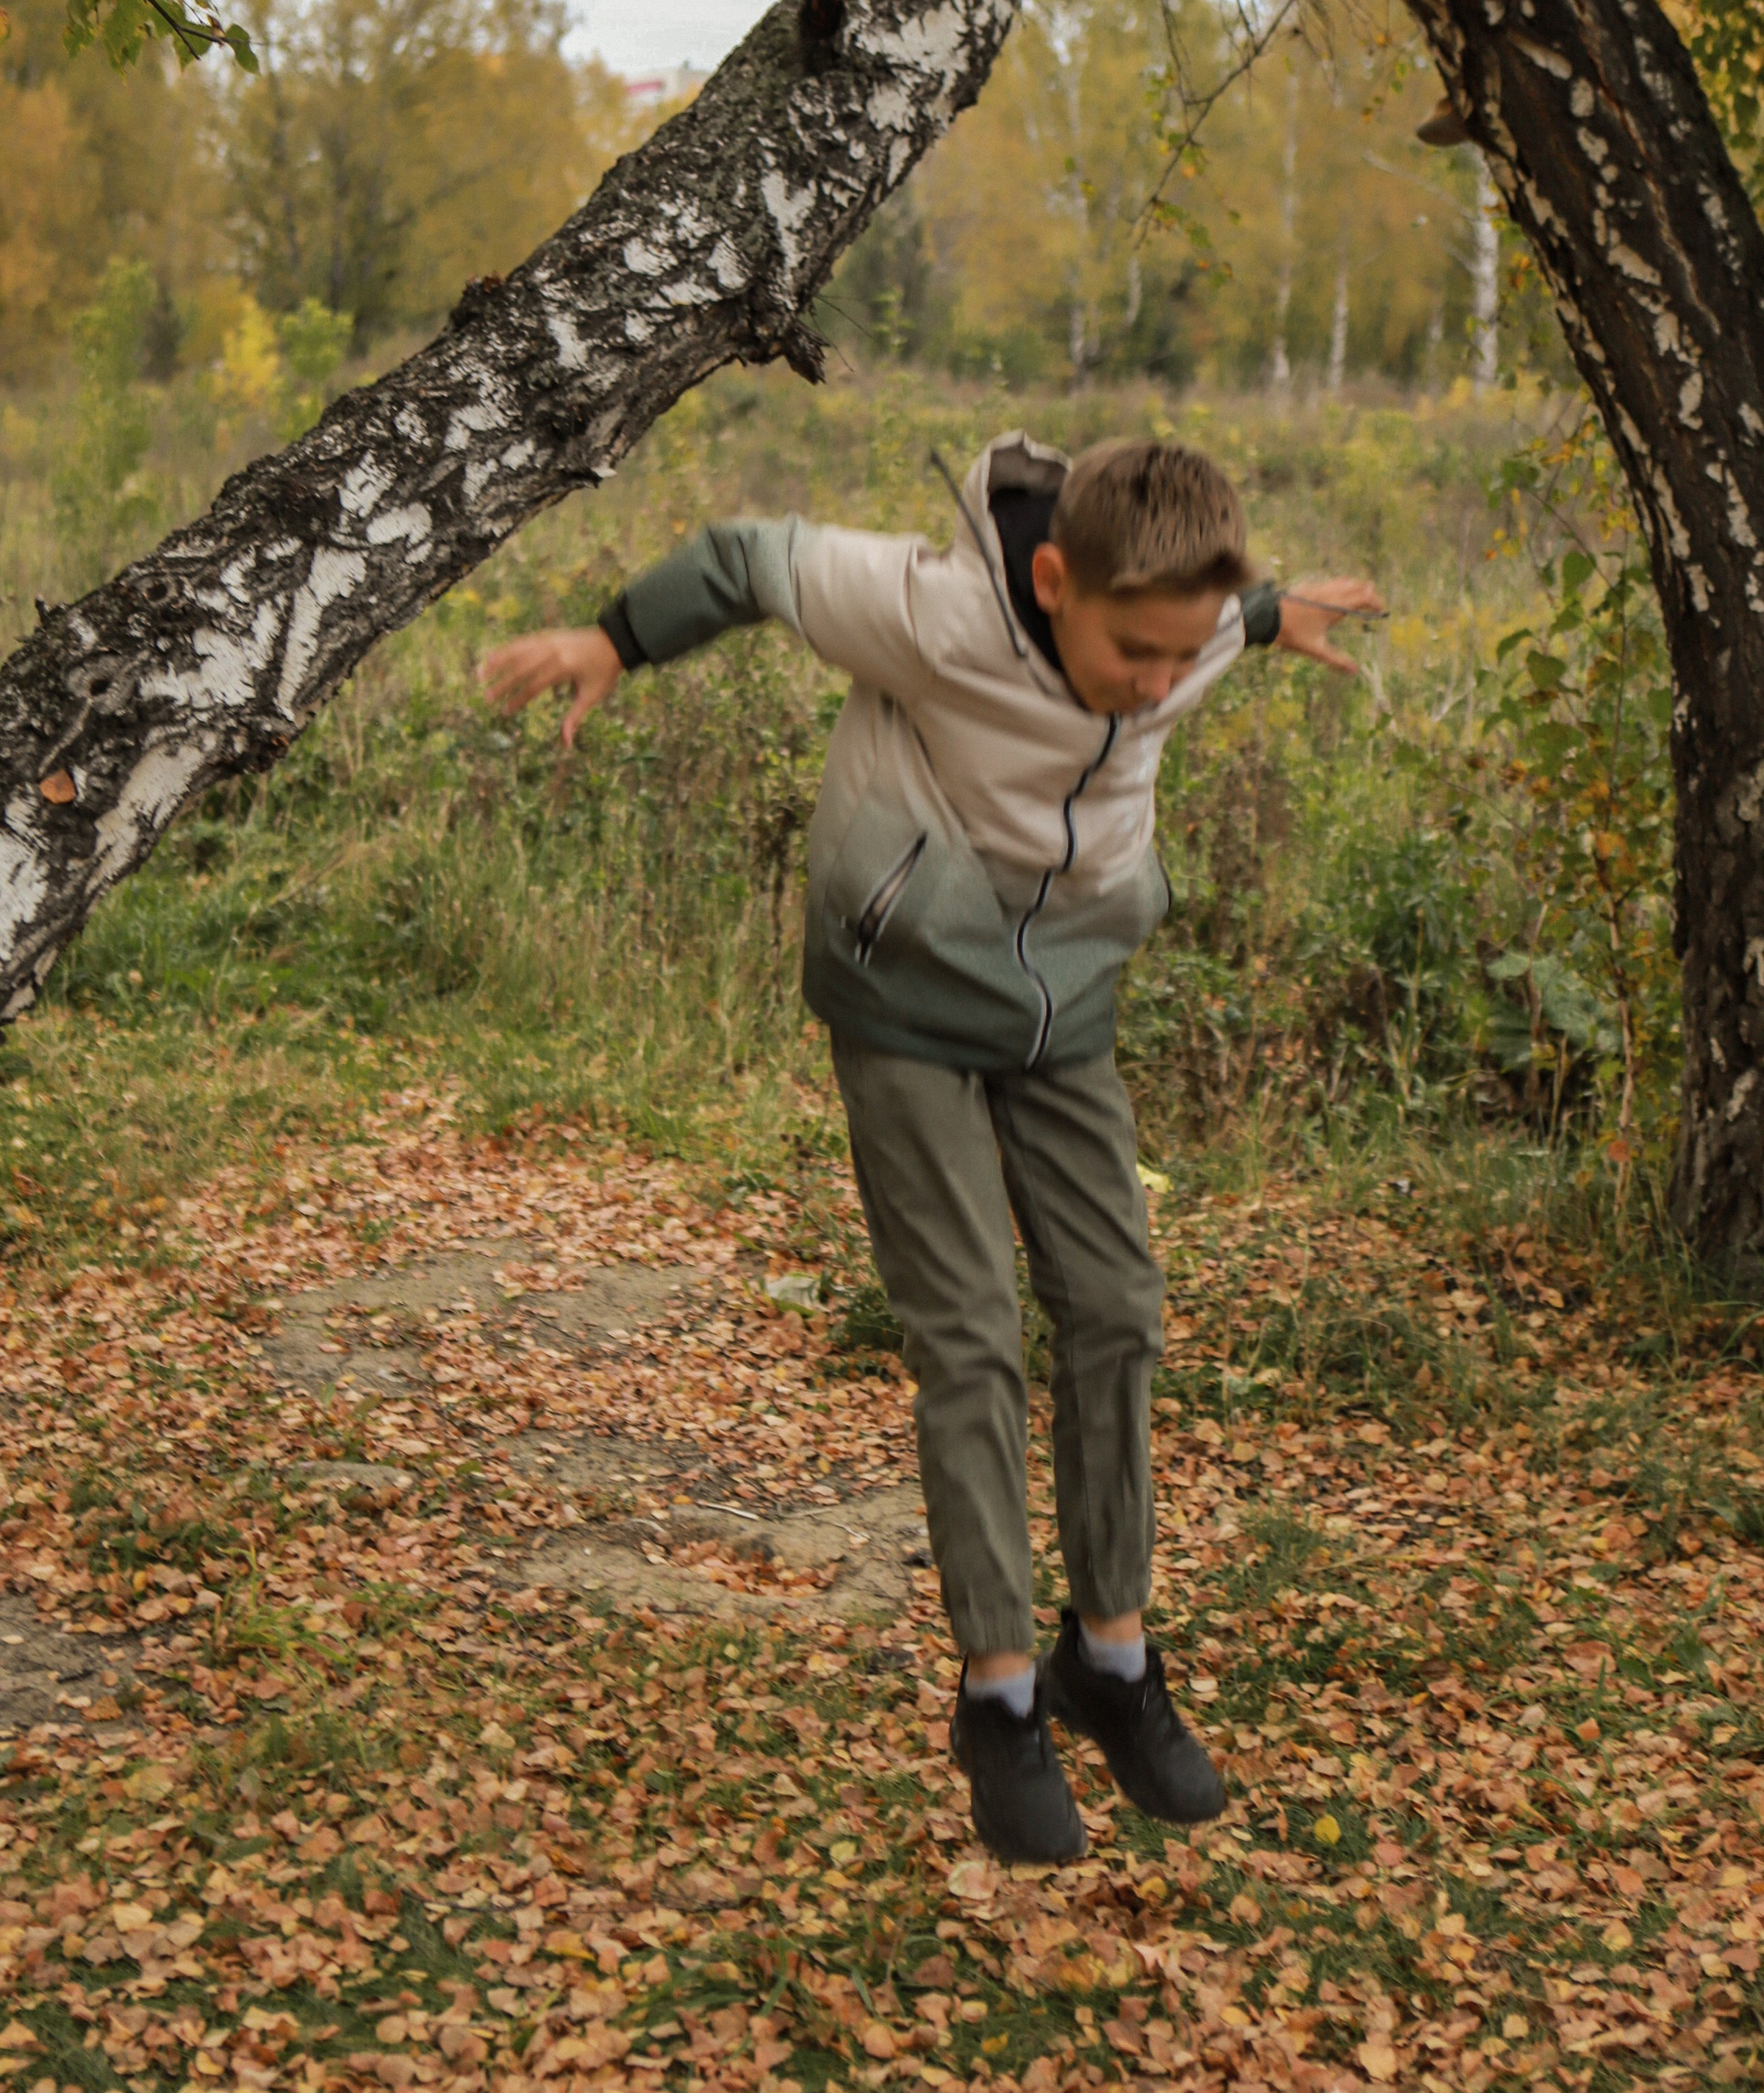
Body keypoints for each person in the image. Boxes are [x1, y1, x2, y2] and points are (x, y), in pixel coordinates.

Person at [481, 434, 1383, 1862]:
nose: (1159, 685)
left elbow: (1209, 627)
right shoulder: (932, 612)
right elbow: (745, 560)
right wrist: (607, 640)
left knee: (1115, 1307)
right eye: (1134, 650)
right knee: (968, 1331)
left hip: (1064, 1005)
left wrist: (1265, 618)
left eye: (1186, 650)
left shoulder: (1188, 630)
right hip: (900, 996)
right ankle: (998, 1693)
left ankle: (1111, 1658)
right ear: (1047, 579)